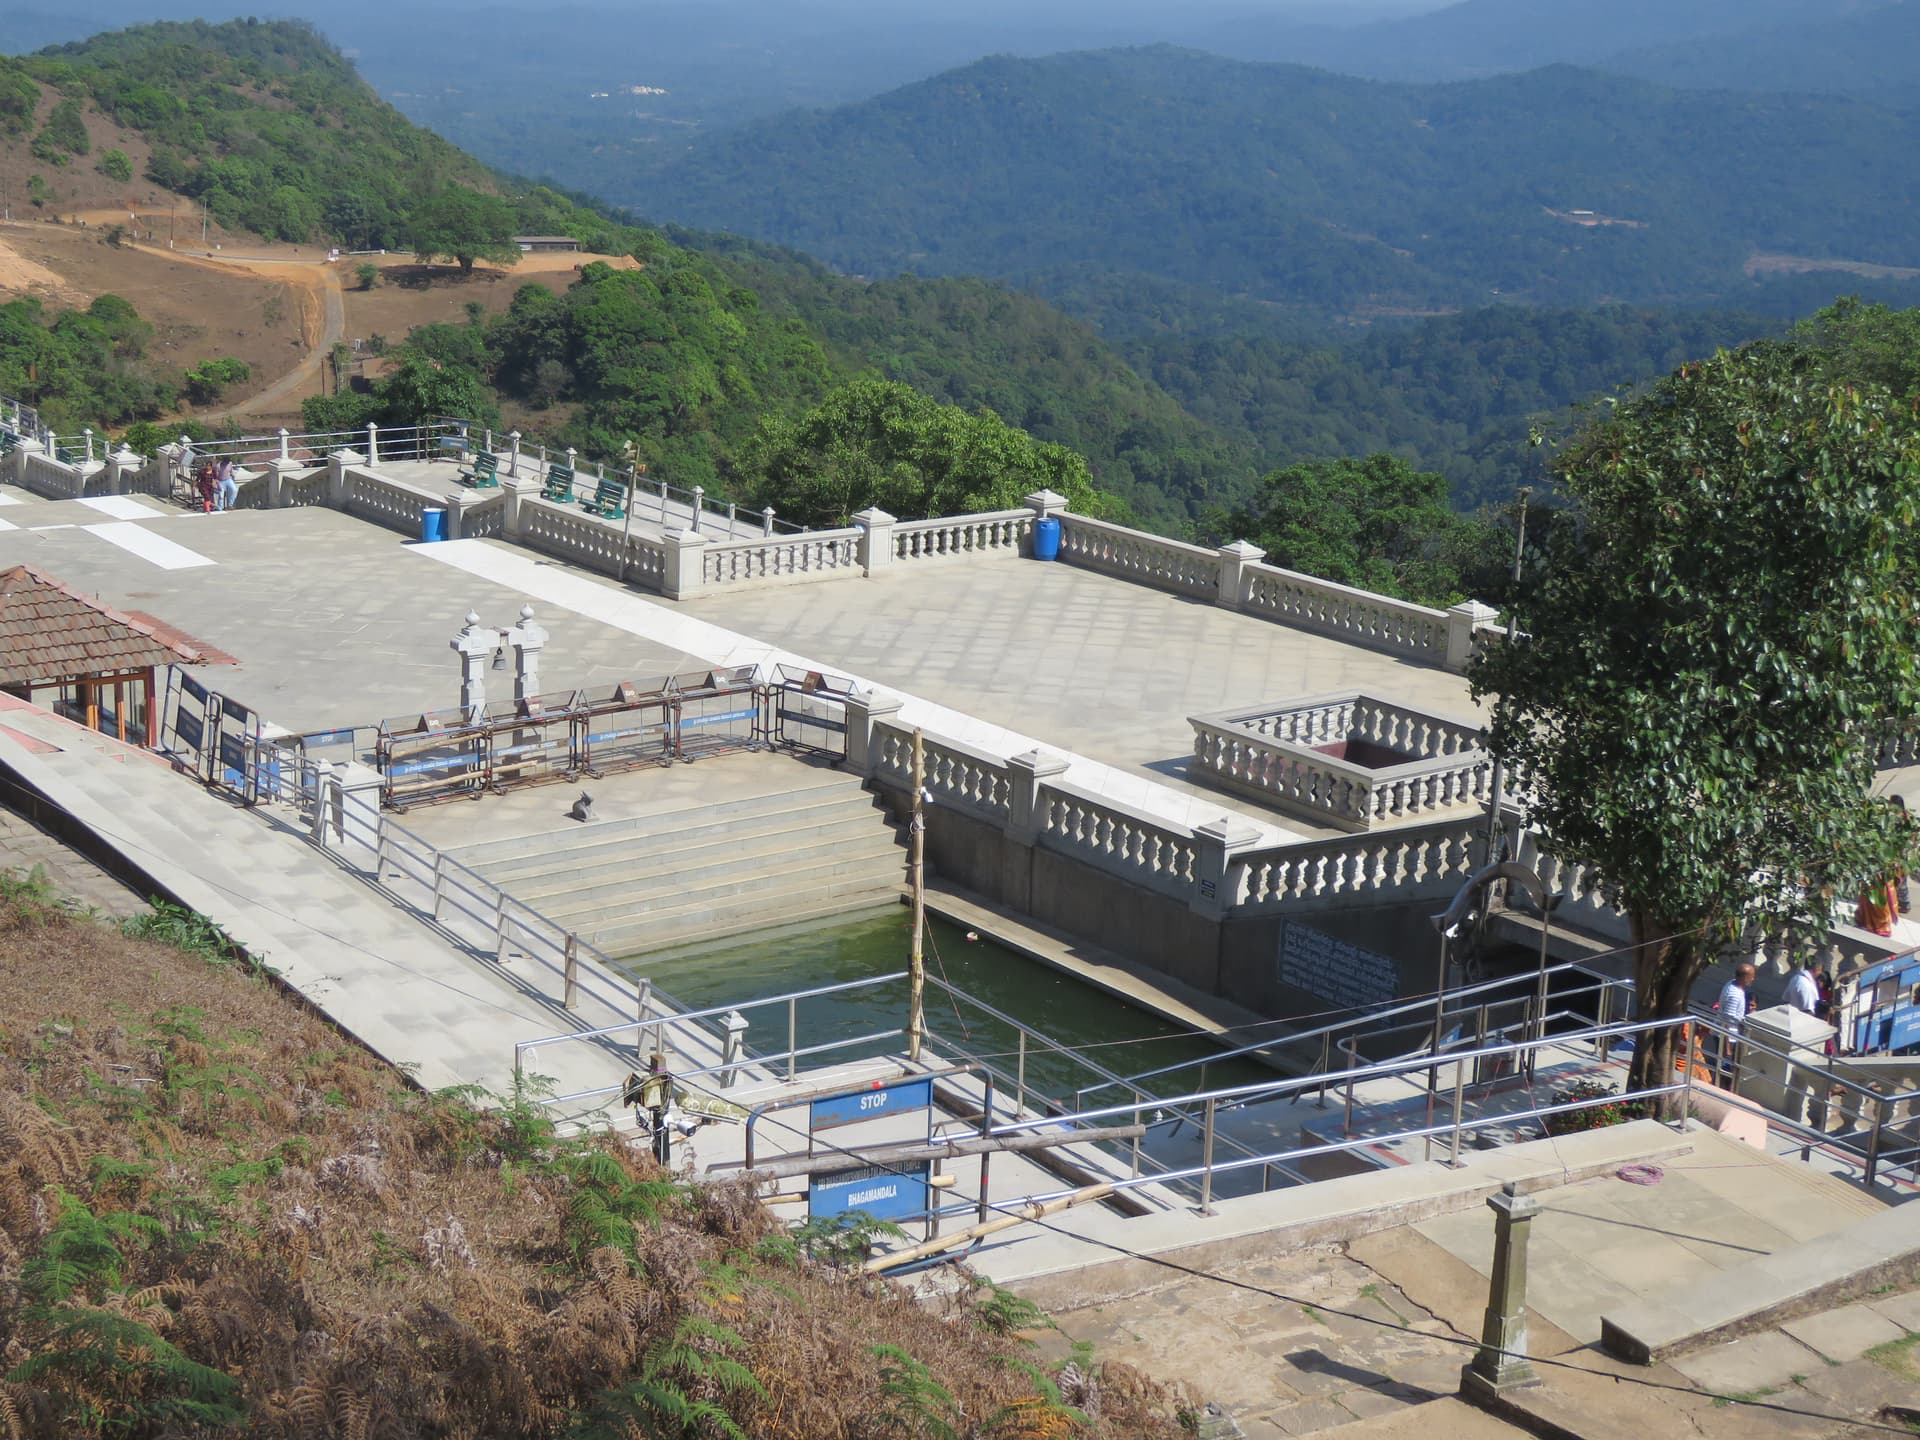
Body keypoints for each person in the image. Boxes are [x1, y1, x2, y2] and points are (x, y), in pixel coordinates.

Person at [1715, 961, 1756, 1084]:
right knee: (1726, 1072)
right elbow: (1727, 1021)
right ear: (1744, 977)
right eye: (1751, 976)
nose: (1753, 979)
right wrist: (1726, 1047)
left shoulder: (1732, 984)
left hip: (1728, 1036)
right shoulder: (1734, 994)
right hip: (1728, 1038)